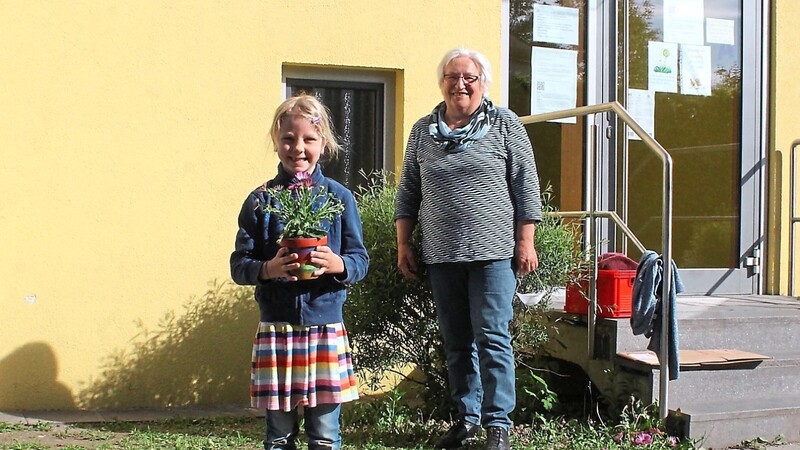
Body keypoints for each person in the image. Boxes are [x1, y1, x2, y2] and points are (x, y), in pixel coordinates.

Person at [395, 48, 542, 450]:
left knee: (492, 337)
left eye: (469, 78)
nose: (460, 84)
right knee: (456, 341)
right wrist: (403, 243)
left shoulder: (504, 124)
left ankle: (498, 425)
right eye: (452, 76)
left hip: (493, 253)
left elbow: (525, 184)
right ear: (441, 81)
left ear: (483, 83)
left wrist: (525, 241)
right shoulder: (423, 131)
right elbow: (408, 190)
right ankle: (466, 420)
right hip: (442, 254)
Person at [231, 94, 369, 450]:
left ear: (323, 144)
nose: (298, 148)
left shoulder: (339, 197)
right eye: (289, 139)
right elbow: (239, 265)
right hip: (277, 328)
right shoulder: (260, 200)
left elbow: (359, 260)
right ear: (277, 142)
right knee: (279, 436)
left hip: (324, 327)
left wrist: (338, 265)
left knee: (324, 435)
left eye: (309, 139)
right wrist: (268, 268)